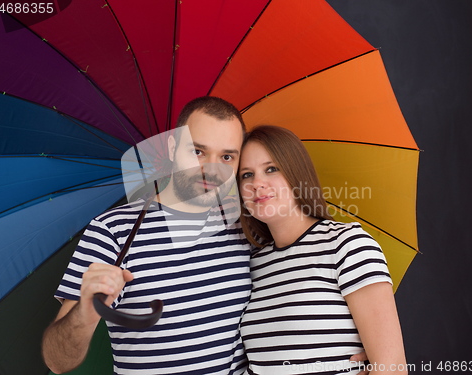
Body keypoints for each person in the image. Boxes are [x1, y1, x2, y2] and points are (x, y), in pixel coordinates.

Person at [42, 97, 368, 375]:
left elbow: (301, 287)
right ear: (171, 147)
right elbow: (57, 361)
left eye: (226, 157)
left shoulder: (249, 227)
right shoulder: (112, 232)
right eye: (197, 151)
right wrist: (85, 313)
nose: (211, 169)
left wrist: (350, 359)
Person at [237, 125, 407, 375]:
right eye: (246, 175)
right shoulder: (254, 264)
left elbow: (392, 369)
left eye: (271, 169)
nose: (257, 183)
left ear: (296, 173)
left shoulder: (346, 244)